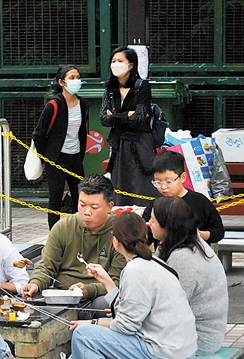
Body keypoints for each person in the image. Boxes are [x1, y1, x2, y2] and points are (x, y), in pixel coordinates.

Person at [69, 213, 197, 359]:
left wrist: (92, 323)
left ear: (115, 242)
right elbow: (130, 312)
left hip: (165, 356)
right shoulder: (153, 262)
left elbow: (125, 326)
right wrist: (107, 281)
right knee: (99, 342)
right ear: (145, 236)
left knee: (84, 336)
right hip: (182, 351)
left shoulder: (135, 270)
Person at [21, 174, 127, 317]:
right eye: (82, 205)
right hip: (62, 294)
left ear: (109, 207)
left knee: (107, 304)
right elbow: (46, 266)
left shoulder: (121, 232)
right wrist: (35, 283)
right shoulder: (63, 227)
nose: (86, 212)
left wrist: (88, 290)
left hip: (96, 297)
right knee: (27, 301)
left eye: (94, 207)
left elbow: (117, 281)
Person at [149, 196, 227, 355]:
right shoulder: (175, 241)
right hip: (181, 330)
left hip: (198, 340)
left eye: (152, 220)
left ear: (166, 226)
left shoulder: (183, 257)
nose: (149, 224)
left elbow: (171, 306)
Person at [32, 64, 90, 229]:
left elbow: (81, 132)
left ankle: (78, 231)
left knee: (80, 196)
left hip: (75, 156)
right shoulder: (53, 105)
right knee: (55, 198)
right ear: (62, 83)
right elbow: (39, 134)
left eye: (78, 77)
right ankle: (55, 236)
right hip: (56, 158)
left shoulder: (83, 105)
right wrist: (47, 158)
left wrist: (80, 156)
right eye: (72, 78)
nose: (76, 81)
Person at [100, 46, 158, 207]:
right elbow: (103, 118)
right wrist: (127, 115)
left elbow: (139, 118)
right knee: (120, 185)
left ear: (130, 65)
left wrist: (115, 117)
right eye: (113, 61)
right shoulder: (110, 89)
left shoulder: (142, 86)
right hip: (119, 144)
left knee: (142, 184)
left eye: (120, 61)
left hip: (140, 143)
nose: (115, 64)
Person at [142, 150, 225, 244]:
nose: (163, 187)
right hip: (164, 257)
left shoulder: (199, 201)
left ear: (182, 177)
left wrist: (199, 235)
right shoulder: (155, 204)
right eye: (158, 182)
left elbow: (218, 231)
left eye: (168, 181)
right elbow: (146, 234)